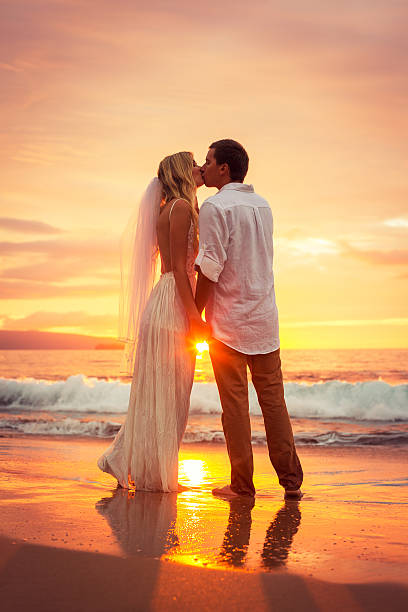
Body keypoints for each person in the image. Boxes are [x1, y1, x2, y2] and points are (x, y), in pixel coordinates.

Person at [195, 139, 303, 500]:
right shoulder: (263, 205)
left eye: (208, 161)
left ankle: (242, 485)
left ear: (224, 168)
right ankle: (291, 481)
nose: (204, 166)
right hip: (265, 321)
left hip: (228, 323)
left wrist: (195, 313)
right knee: (274, 403)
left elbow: (210, 266)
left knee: (235, 408)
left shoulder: (215, 206)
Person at [98, 152, 209, 492]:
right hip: (173, 303)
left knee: (165, 392)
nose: (200, 168)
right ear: (181, 172)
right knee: (171, 392)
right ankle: (151, 470)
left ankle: (138, 463)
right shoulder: (177, 209)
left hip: (170, 300)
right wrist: (195, 319)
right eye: (193, 164)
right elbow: (178, 267)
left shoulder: (176, 207)